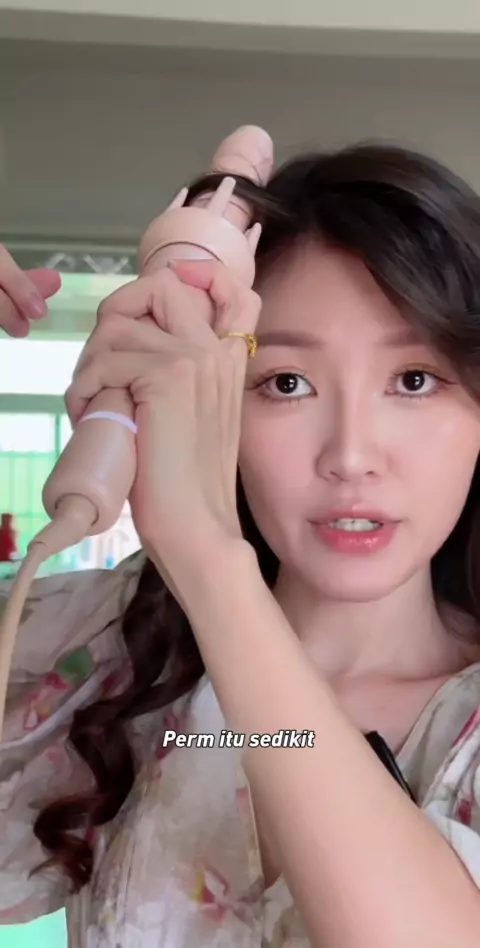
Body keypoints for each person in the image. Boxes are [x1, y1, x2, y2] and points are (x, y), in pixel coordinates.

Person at [1, 143, 480, 948]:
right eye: (287, 383)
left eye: (414, 380)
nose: (352, 455)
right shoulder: (107, 654)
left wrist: (209, 555)